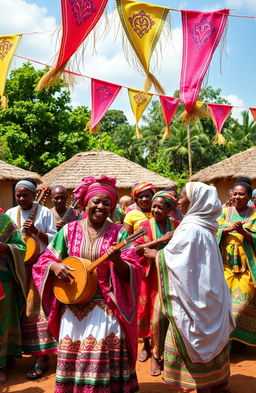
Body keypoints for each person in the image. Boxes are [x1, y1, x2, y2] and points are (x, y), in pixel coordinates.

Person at [33, 175, 142, 393]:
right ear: (86, 203)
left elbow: (132, 271)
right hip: (72, 305)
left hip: (106, 306)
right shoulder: (69, 231)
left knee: (102, 353)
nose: (101, 206)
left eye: (106, 203)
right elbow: (44, 260)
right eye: (96, 201)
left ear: (112, 207)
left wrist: (117, 260)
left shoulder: (119, 233)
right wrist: (55, 267)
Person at [149, 182, 234, 393]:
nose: (179, 200)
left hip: (192, 301)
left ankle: (197, 386)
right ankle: (214, 381)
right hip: (210, 296)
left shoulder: (190, 227)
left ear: (195, 201)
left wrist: (156, 256)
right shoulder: (206, 225)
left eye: (183, 196)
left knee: (187, 337)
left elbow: (178, 263)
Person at [6, 178, 57, 379]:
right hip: (17, 269)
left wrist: (37, 232)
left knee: (36, 311)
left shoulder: (44, 212)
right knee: (16, 309)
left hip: (38, 268)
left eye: (24, 194)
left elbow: (55, 238)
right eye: (18, 195)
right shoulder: (11, 214)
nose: (20, 198)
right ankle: (12, 353)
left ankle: (41, 357)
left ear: (34, 195)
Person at [135, 191, 180, 376]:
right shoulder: (144, 225)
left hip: (168, 276)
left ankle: (157, 355)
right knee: (144, 313)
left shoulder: (177, 226)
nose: (155, 209)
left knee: (161, 316)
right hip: (148, 276)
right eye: (154, 206)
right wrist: (160, 240)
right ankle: (146, 346)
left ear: (170, 209)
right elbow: (136, 249)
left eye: (160, 207)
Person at [218, 182, 256, 346]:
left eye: (241, 194)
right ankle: (229, 344)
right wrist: (227, 229)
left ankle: (242, 341)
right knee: (224, 306)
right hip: (225, 266)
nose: (237, 197)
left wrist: (243, 232)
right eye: (234, 194)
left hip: (247, 267)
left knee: (241, 306)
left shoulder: (254, 214)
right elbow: (214, 229)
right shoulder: (223, 212)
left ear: (248, 197)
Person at [0, 212, 26, 384]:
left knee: (1, 323)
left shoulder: (4, 220)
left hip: (3, 280)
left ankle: (1, 365)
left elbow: (21, 246)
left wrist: (5, 247)